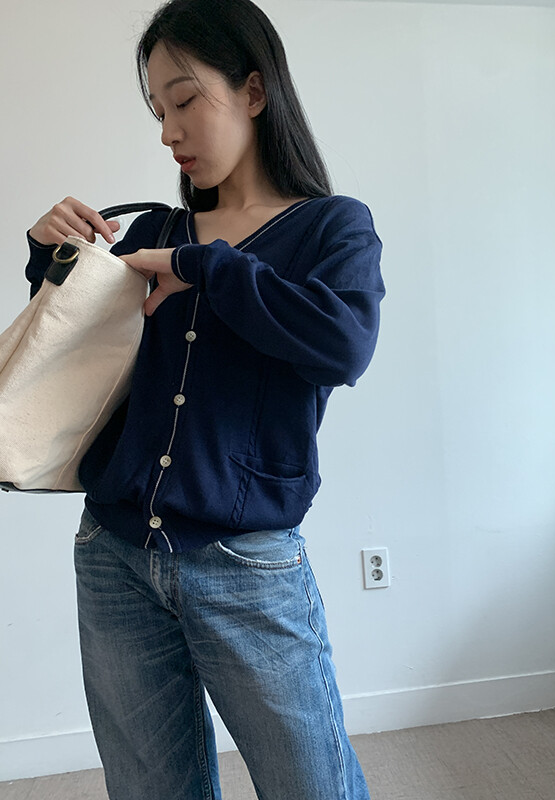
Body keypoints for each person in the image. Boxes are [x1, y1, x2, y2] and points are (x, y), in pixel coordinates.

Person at [24, 0, 385, 797]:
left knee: (313, 786)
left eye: (185, 100)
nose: (169, 132)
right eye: (159, 110)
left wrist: (209, 268)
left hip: (246, 564)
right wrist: (48, 258)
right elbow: (77, 350)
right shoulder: (155, 230)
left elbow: (344, 345)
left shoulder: (332, 229)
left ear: (254, 90)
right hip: (114, 555)